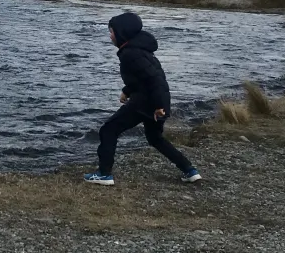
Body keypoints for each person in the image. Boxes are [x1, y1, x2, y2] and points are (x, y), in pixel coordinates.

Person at [84, 11, 202, 186]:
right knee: (155, 138)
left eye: (111, 32)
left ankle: (104, 174)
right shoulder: (140, 49)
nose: (110, 36)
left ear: (122, 32)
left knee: (108, 130)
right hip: (156, 101)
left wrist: (158, 106)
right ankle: (190, 170)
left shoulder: (131, 53)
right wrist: (127, 91)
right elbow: (142, 78)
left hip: (146, 102)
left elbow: (155, 80)